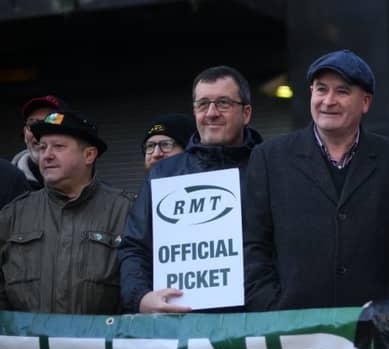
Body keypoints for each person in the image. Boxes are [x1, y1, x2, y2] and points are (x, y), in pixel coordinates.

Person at [243, 49, 389, 311]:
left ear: (365, 102)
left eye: (342, 91)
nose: (328, 101)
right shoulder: (268, 159)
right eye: (321, 89)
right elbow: (254, 247)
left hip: (379, 328)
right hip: (292, 329)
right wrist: (272, 310)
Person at [119, 65, 262, 313]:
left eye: (224, 103)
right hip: (182, 328)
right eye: (202, 104)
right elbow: (134, 247)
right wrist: (140, 298)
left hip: (257, 323)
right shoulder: (164, 174)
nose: (211, 113)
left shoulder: (270, 166)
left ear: (246, 113)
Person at [0, 111, 132, 314]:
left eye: (58, 147)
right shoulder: (13, 214)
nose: (47, 155)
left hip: (99, 343)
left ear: (89, 155)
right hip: (24, 344)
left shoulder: (125, 211)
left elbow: (138, 287)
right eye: (43, 147)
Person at [11, 95, 67, 190]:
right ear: (25, 133)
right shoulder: (6, 184)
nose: (39, 132)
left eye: (50, 122)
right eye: (33, 124)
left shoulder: (90, 189)